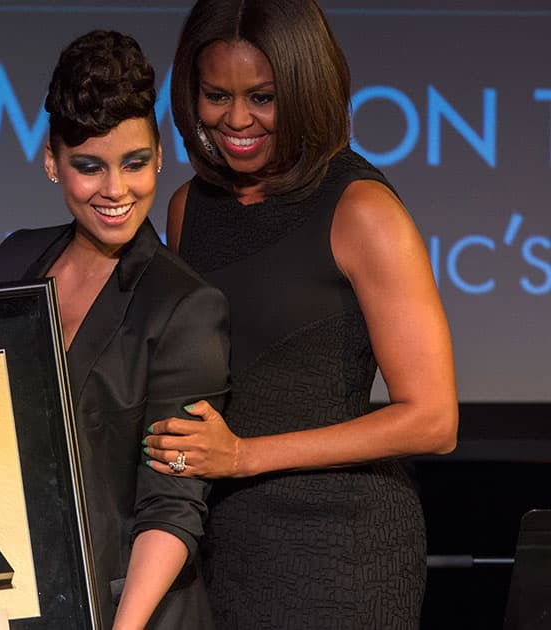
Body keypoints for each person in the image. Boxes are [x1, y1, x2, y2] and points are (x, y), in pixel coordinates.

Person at [142, 1, 459, 628]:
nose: (236, 120)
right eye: (215, 95)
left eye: (263, 97)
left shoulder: (362, 209)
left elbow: (433, 421)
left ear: (307, 89)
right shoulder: (188, 207)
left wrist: (243, 456)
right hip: (220, 544)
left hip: (340, 549)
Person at [0, 30, 230, 629]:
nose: (116, 190)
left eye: (135, 163)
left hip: (130, 611)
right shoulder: (15, 262)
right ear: (52, 161)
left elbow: (173, 505)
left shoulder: (185, 306)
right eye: (89, 167)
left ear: (159, 155)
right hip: (20, 597)